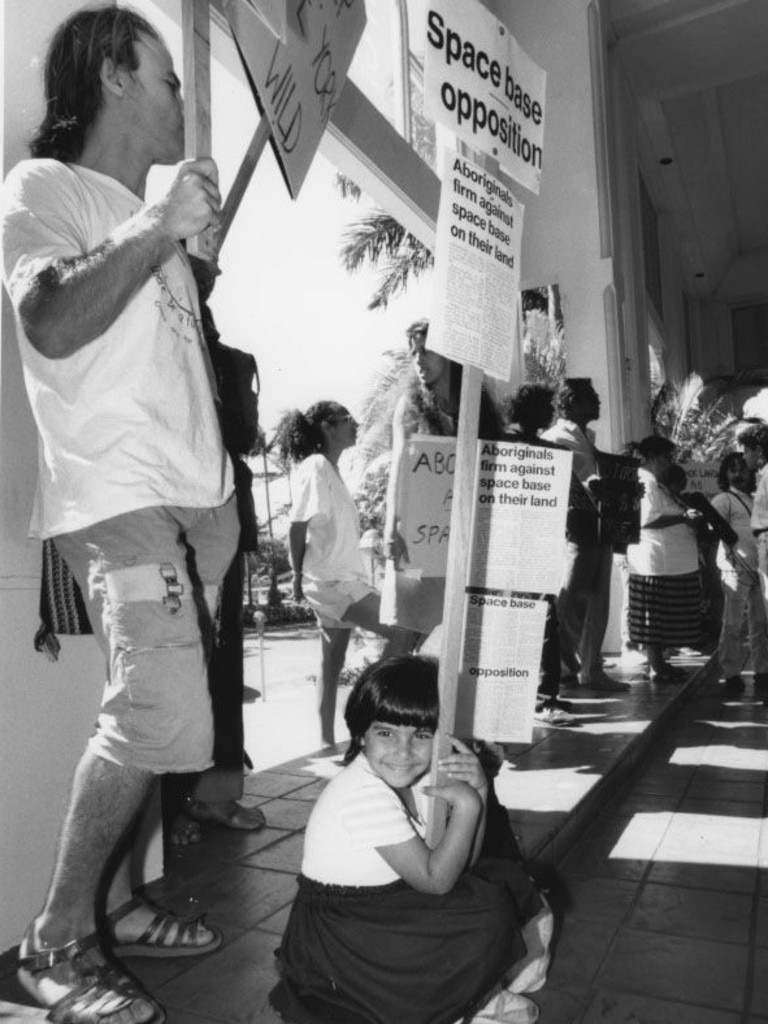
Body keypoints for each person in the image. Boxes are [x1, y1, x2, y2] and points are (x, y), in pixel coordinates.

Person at [2, 7, 235, 1022]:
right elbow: (51, 320)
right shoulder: (41, 188)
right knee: (165, 712)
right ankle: (51, 945)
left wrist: (194, 252)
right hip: (125, 499)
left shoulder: (142, 210)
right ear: (114, 74)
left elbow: (149, 344)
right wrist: (156, 226)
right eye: (169, 76)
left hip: (203, 504)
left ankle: (125, 899)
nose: (182, 95)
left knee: (157, 719)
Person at [269, 655, 552, 1024]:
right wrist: (466, 807)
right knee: (486, 914)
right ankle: (461, 1005)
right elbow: (436, 882)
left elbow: (463, 861)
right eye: (386, 733)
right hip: (343, 931)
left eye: (420, 736)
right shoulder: (361, 793)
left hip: (381, 903)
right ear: (360, 734)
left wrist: (479, 792)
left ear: (441, 738)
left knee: (502, 878)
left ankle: (485, 986)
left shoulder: (415, 778)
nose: (403, 752)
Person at [164, 256, 266, 844]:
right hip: (161, 511)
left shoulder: (229, 362)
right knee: (172, 662)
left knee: (220, 662)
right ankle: (169, 805)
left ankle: (214, 796)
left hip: (217, 508)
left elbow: (241, 434)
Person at [276, 401, 417, 747]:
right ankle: (365, 711)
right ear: (327, 426)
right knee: (404, 629)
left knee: (332, 662)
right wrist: (296, 576)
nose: (354, 425)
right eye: (346, 420)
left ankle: (326, 742)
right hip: (332, 582)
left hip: (335, 579)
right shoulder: (317, 465)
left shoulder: (331, 471)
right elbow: (297, 526)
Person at [383, 319, 501, 639]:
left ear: (448, 353)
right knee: (408, 634)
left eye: (425, 351)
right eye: (413, 353)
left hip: (463, 536)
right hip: (419, 535)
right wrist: (391, 528)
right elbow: (398, 469)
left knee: (459, 633)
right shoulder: (410, 405)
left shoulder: (476, 404)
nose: (418, 359)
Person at [542, 378, 629, 692]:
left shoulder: (586, 437)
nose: (598, 402)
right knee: (572, 599)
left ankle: (591, 668)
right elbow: (560, 481)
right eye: (590, 398)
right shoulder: (557, 437)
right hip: (576, 528)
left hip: (600, 526)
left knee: (597, 601)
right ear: (572, 402)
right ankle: (564, 667)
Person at [503, 383, 577, 725]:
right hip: (510, 546)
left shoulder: (543, 447)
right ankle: (541, 700)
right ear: (528, 408)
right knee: (536, 619)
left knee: (545, 617)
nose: (551, 413)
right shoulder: (503, 443)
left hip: (536, 543)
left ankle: (544, 696)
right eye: (546, 406)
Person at [625, 438, 702, 682]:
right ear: (657, 457)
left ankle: (660, 665)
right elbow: (647, 519)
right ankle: (656, 667)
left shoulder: (653, 481)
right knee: (655, 619)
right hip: (657, 561)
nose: (670, 463)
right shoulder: (645, 481)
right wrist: (682, 518)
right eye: (668, 458)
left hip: (668, 562)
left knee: (663, 619)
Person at [709, 452, 768, 696]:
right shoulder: (724, 499)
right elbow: (714, 529)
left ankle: (762, 670)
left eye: (742, 469)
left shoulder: (756, 498)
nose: (738, 474)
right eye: (732, 470)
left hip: (758, 568)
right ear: (725, 474)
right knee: (732, 624)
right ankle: (731, 673)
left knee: (760, 624)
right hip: (735, 569)